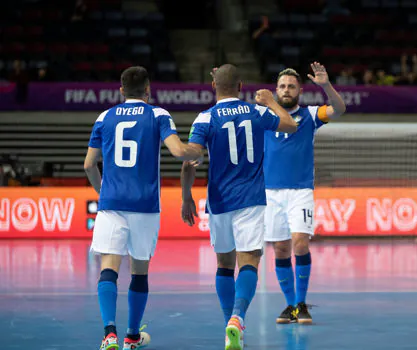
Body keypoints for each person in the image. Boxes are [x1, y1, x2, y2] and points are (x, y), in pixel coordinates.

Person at [84, 66, 202, 350]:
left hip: (112, 204)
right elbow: (178, 151)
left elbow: (89, 165)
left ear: (121, 90)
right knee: (139, 272)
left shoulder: (105, 117)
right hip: (145, 206)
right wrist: (196, 151)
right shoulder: (158, 115)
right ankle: (132, 336)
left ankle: (109, 334)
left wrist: (104, 193)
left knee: (108, 269)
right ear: (148, 90)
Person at [180, 64, 297, 350]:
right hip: (250, 198)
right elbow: (291, 125)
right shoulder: (256, 112)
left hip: (219, 200)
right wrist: (271, 102)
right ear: (241, 86)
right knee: (249, 261)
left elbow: (189, 162)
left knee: (224, 264)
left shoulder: (205, 118)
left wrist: (186, 197)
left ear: (213, 87)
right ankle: (237, 318)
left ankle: (229, 325)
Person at [264, 63, 346, 324]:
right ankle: (289, 306)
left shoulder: (310, 115)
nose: (286, 90)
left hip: (300, 191)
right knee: (280, 249)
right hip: (270, 193)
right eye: (282, 86)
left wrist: (326, 85)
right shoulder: (263, 116)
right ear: (276, 90)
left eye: (291, 86)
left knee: (300, 243)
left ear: (299, 90)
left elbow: (340, 109)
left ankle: (301, 303)